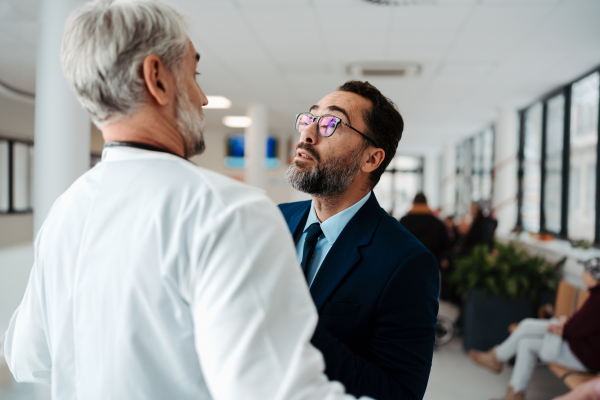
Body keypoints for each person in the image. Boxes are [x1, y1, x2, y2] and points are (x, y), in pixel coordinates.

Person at [2, 2, 370, 399]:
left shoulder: (66, 210)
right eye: (194, 74)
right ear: (156, 77)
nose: (203, 98)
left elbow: (28, 356)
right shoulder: (228, 210)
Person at [278, 80, 440, 400]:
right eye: (310, 119)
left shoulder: (406, 262)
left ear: (371, 159)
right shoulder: (275, 219)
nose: (308, 134)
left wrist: (292, 321)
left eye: (330, 123)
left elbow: (399, 392)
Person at [468, 262, 600, 400]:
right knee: (526, 342)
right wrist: (565, 323)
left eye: (586, 271)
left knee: (526, 328)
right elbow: (581, 325)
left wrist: (561, 326)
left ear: (593, 277)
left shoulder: (597, 300)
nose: (583, 274)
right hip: (577, 346)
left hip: (583, 355)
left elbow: (577, 329)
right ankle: (514, 392)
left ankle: (497, 359)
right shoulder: (595, 295)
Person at [400, 192, 450, 269]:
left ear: (413, 203)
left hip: (408, 266)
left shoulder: (404, 222)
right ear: (426, 203)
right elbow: (446, 245)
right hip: (432, 265)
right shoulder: (437, 223)